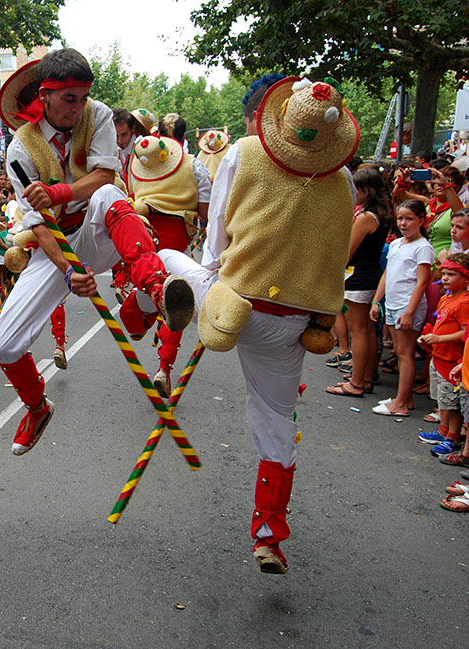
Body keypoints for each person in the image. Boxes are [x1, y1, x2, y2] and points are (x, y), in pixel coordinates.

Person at [153, 75, 359, 574]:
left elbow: (217, 241)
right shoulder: (344, 179)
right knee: (276, 429)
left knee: (166, 254)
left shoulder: (243, 152)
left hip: (235, 301)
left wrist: (215, 273)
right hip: (295, 323)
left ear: (263, 117)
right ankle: (269, 536)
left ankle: (150, 303)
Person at [0, 47, 194, 457]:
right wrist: (69, 272)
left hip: (99, 226)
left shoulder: (97, 114)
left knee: (105, 193)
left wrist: (58, 192)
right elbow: (37, 224)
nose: (79, 108)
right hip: (55, 245)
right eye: (70, 99)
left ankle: (156, 288)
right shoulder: (19, 150)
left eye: (84, 97)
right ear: (45, 94)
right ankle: (36, 407)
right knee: (5, 345)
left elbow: (105, 174)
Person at [120, 133, 211, 397]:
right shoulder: (194, 164)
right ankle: (164, 368)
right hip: (176, 247)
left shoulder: (135, 166)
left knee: (148, 296)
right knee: (177, 302)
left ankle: (139, 322)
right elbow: (206, 213)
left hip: (145, 244)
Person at [325, 166, 391, 396]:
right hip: (368, 274)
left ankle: (356, 383)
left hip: (358, 276)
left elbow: (348, 251)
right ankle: (365, 376)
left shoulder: (365, 217)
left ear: (366, 190)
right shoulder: (381, 214)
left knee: (360, 330)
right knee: (367, 330)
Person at [370, 200, 435, 416]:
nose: (404, 223)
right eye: (400, 218)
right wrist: (377, 301)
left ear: (421, 221)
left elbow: (422, 282)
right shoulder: (397, 244)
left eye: (409, 219)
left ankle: (401, 403)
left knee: (405, 354)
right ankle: (404, 398)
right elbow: (387, 274)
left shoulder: (423, 247)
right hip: (393, 304)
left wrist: (409, 311)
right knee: (398, 352)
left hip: (408, 306)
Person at [415, 253, 469, 461]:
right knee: (442, 399)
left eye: (452, 274)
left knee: (452, 402)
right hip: (438, 356)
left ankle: (452, 437)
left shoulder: (464, 302)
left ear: (466, 278)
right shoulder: (446, 297)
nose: (445, 278)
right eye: (444, 273)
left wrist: (438, 338)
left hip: (451, 358)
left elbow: (464, 332)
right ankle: (443, 429)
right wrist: (430, 336)